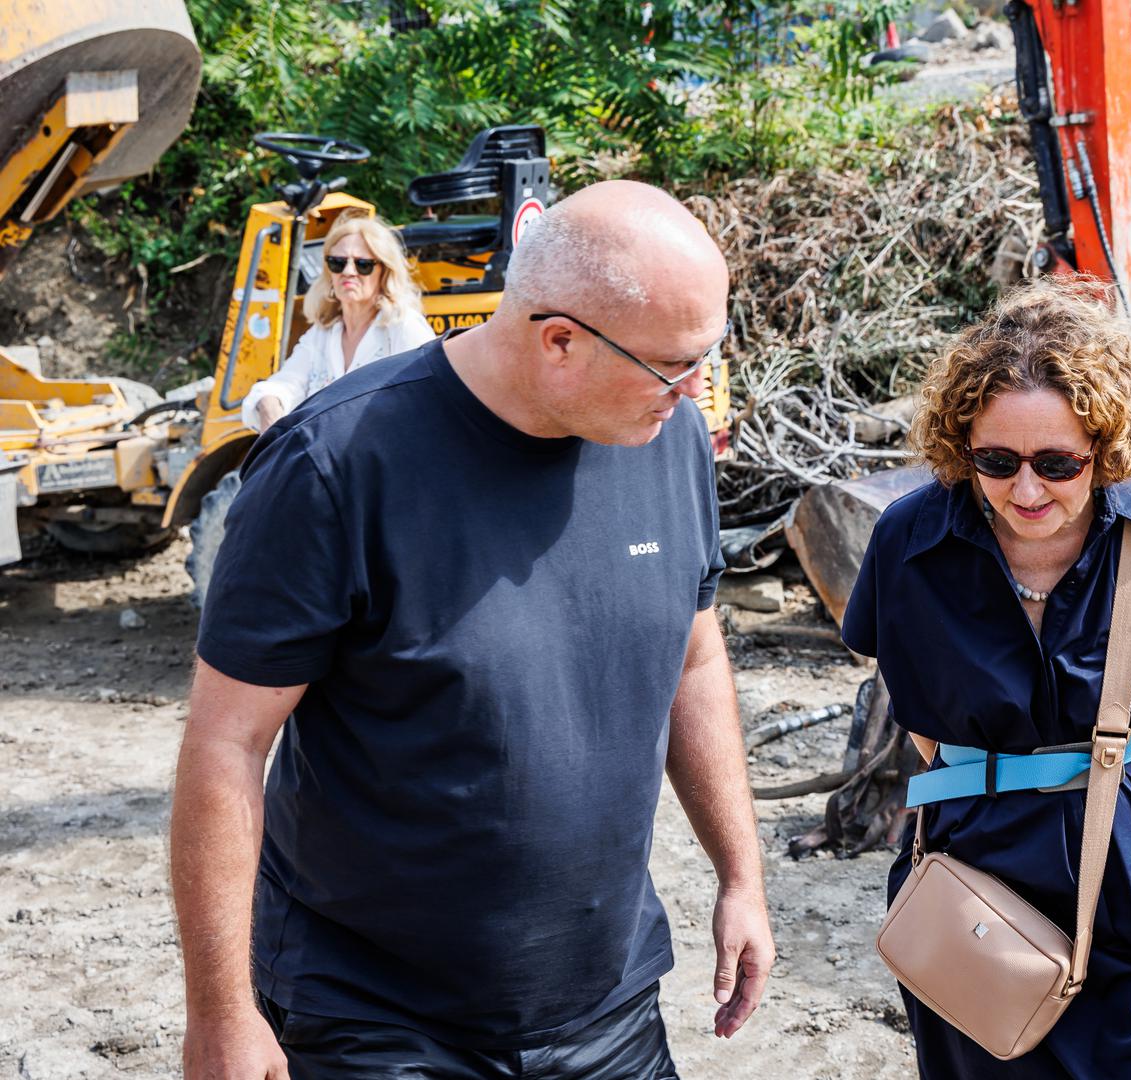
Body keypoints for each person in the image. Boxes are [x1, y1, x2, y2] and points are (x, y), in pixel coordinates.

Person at [170, 180, 774, 1079]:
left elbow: (692, 655)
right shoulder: (334, 466)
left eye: (707, 354)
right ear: (560, 338)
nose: (694, 389)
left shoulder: (668, 439)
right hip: (373, 1017)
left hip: (605, 1003)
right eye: (674, 364)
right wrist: (219, 1014)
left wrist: (741, 875)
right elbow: (226, 743)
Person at [841, 277, 1131, 1079]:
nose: (1026, 490)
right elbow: (919, 716)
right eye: (995, 461)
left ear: (1103, 447)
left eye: (1057, 463)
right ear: (960, 444)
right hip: (982, 857)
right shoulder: (908, 539)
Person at [241, 210, 434, 433]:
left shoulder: (403, 327)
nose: (349, 272)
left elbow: (428, 403)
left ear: (384, 272)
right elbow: (286, 384)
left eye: (363, 264)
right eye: (338, 263)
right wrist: (269, 404)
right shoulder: (322, 333)